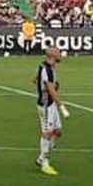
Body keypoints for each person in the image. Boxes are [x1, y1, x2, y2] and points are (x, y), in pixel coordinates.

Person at [35, 46, 64, 176]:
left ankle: (41, 157)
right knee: (47, 132)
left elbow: (35, 80)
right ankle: (45, 163)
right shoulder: (48, 69)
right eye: (59, 52)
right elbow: (51, 89)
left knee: (57, 132)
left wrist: (42, 84)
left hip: (51, 105)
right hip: (46, 105)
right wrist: (62, 106)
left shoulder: (46, 67)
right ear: (53, 55)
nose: (61, 54)